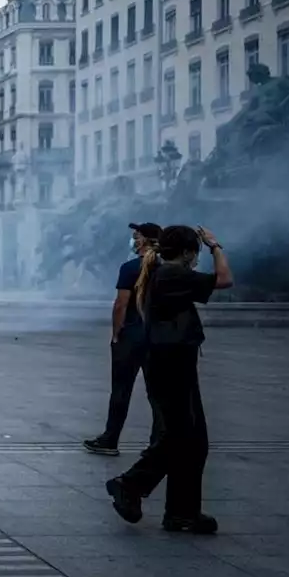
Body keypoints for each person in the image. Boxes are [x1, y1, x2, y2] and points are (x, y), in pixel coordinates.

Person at [106, 225, 232, 534]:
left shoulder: (162, 271)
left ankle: (182, 512)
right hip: (170, 363)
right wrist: (216, 246)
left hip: (173, 362)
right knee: (180, 437)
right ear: (189, 252)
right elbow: (225, 280)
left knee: (192, 441)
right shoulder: (173, 273)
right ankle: (130, 484)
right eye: (197, 252)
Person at [84, 222, 166, 456]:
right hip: (158, 338)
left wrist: (116, 333)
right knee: (156, 393)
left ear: (145, 241)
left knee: (121, 390)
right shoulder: (166, 269)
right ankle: (157, 443)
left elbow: (121, 304)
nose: (133, 241)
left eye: (136, 237)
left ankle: (110, 440)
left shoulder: (131, 268)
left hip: (131, 336)